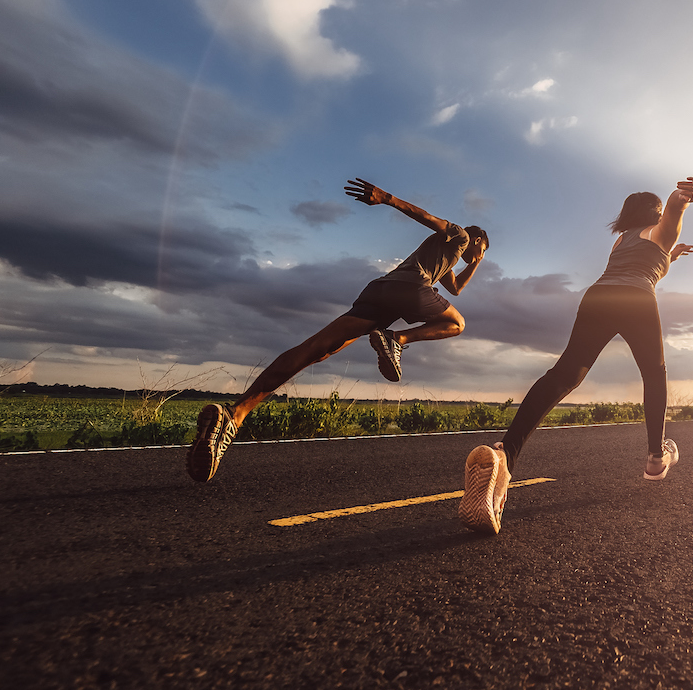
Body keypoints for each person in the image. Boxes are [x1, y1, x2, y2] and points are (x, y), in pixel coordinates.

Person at [186, 178, 489, 482]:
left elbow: (457, 288)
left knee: (316, 350)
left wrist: (476, 263)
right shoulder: (461, 235)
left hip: (379, 292)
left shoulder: (446, 259)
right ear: (476, 241)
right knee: (456, 323)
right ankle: (396, 339)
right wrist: (388, 198)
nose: (478, 254)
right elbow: (430, 219)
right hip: (409, 290)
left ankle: (234, 415)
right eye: (482, 250)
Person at [458, 176, 693, 534]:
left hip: (598, 296)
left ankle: (504, 456)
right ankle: (655, 456)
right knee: (654, 373)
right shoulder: (660, 229)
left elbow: (646, 266)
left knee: (564, 375)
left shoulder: (621, 242)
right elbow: (667, 228)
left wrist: (671, 256)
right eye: (660, 211)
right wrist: (680, 199)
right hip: (636, 300)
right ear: (653, 212)